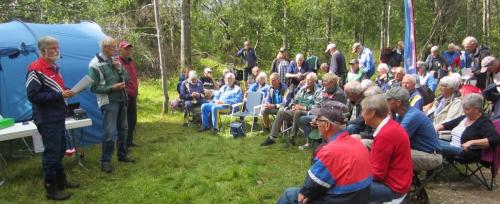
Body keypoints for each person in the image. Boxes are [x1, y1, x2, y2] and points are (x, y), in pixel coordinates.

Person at [277, 102, 372, 204]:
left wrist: (306, 194)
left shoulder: (329, 152)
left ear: (327, 125)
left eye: (318, 119)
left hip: (341, 199)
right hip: (358, 198)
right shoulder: (358, 144)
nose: (315, 122)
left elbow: (305, 194)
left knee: (289, 194)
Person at [26, 36, 78, 200]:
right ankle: (51, 188)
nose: (57, 50)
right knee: (52, 153)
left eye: (58, 47)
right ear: (43, 50)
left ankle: (61, 181)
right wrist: (59, 95)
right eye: (53, 48)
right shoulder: (35, 69)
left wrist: (68, 91)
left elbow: (56, 90)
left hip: (58, 115)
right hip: (47, 118)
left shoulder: (54, 67)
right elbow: (33, 96)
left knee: (61, 149)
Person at [89, 36, 135, 174]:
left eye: (115, 47)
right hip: (108, 102)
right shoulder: (95, 64)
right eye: (113, 47)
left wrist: (119, 69)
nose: (115, 50)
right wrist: (112, 87)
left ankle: (122, 155)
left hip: (122, 99)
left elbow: (127, 79)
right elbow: (93, 87)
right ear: (105, 48)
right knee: (109, 132)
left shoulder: (115, 61)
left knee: (124, 129)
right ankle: (105, 161)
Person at [360, 94, 412, 202]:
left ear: (372, 113)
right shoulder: (390, 125)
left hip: (393, 187)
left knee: (344, 190)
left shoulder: (385, 134)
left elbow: (377, 174)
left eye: (363, 111)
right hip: (399, 181)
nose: (361, 114)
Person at [385, 87, 442, 172]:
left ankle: (390, 184)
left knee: (388, 154)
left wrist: (388, 120)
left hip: (431, 156)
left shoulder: (412, 116)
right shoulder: (402, 114)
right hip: (419, 152)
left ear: (398, 103)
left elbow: (395, 140)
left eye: (388, 100)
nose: (385, 103)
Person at [261, 73, 321, 146]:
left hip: (307, 112)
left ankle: (292, 138)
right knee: (281, 112)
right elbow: (293, 100)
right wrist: (292, 105)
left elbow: (317, 106)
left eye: (310, 80)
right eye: (307, 80)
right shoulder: (302, 89)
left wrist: (303, 107)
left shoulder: (318, 91)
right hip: (295, 110)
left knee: (297, 112)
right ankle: (272, 137)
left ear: (314, 81)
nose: (307, 82)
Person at [436, 93, 500, 161]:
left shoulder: (483, 123)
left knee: (431, 145)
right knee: (428, 140)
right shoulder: (464, 118)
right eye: (463, 108)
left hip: (466, 152)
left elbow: (495, 139)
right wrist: (434, 129)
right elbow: (446, 125)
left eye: (467, 109)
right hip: (451, 145)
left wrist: (472, 142)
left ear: (477, 109)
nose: (464, 111)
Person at [298, 73, 347, 149]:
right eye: (323, 83)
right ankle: (309, 142)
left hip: (334, 118)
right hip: (323, 114)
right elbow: (323, 106)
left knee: (322, 122)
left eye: (326, 83)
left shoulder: (339, 93)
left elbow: (334, 112)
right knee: (303, 119)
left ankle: (326, 145)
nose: (324, 85)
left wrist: (318, 119)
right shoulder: (327, 90)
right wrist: (317, 117)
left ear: (333, 82)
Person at [118, 41, 139, 147]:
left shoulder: (131, 62)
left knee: (132, 119)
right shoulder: (118, 62)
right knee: (124, 121)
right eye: (126, 49)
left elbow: (134, 78)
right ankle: (123, 143)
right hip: (124, 95)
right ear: (120, 50)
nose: (128, 51)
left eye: (129, 49)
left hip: (133, 94)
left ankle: (129, 141)